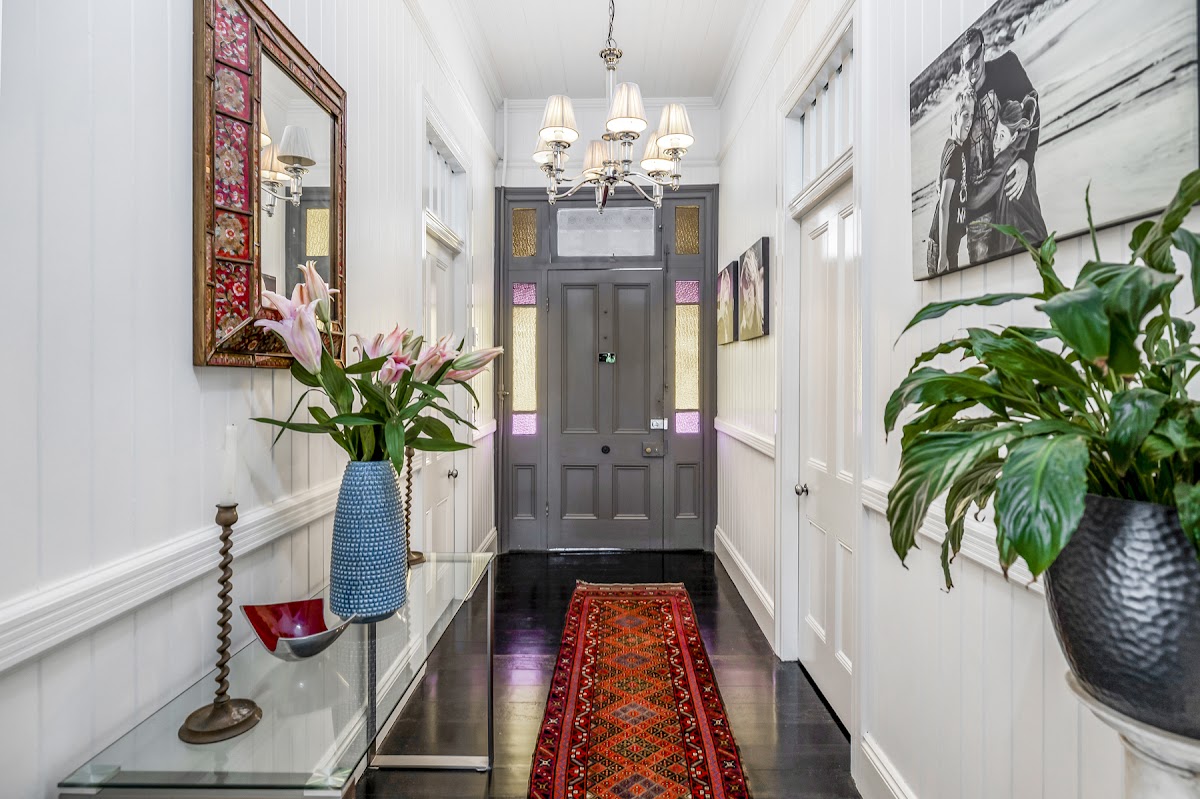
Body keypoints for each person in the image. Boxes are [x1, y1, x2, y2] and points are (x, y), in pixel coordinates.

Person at [960, 26, 1046, 262]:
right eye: (967, 64)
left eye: (976, 57)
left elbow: (1032, 108)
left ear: (983, 49)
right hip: (982, 213)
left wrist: (1027, 159)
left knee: (1030, 251)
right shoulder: (966, 102)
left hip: (1013, 182)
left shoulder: (1006, 67)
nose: (973, 67)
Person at [927, 88, 974, 276]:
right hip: (942, 247)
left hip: (948, 246)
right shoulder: (954, 153)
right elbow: (944, 206)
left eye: (972, 116)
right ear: (954, 118)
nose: (970, 121)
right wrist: (942, 255)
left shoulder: (955, 146)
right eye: (965, 115)